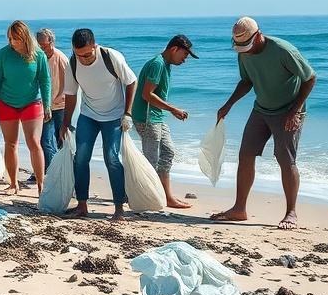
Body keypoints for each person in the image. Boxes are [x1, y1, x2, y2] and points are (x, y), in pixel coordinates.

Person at [211, 17, 316, 230]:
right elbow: (247, 81)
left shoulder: (282, 50)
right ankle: (240, 209)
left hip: (289, 111)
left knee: (285, 159)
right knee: (245, 154)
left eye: (247, 45)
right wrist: (228, 104)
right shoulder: (244, 53)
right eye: (241, 47)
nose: (245, 50)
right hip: (261, 109)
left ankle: (291, 213)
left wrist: (295, 111)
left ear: (258, 35)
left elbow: (310, 78)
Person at [60, 28, 137, 221]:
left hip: (114, 116)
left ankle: (119, 208)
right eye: (79, 55)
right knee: (80, 158)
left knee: (111, 157)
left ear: (94, 46)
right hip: (88, 115)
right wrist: (65, 123)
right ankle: (82, 205)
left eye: (87, 54)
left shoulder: (111, 57)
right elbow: (70, 95)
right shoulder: (72, 63)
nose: (84, 58)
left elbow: (131, 81)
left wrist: (127, 113)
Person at [132, 35, 198, 209]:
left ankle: (166, 196)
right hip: (147, 118)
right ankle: (144, 198)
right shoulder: (158, 64)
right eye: (184, 55)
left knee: (168, 153)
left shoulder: (165, 64)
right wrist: (173, 109)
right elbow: (147, 94)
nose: (185, 60)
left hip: (157, 116)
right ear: (174, 49)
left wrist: (168, 110)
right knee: (150, 161)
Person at [0, 21, 50, 195]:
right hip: (6, 103)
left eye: (15, 38)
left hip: (32, 102)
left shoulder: (38, 55)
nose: (12, 42)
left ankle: (41, 185)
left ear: (24, 37)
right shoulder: (3, 54)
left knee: (34, 143)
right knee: (10, 143)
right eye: (9, 38)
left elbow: (45, 81)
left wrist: (47, 105)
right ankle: (13, 184)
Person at [35, 28, 67, 170]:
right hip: (43, 105)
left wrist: (58, 98)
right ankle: (51, 170)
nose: (42, 47)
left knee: (61, 140)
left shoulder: (61, 58)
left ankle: (62, 170)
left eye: (44, 45)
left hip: (60, 106)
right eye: (39, 45)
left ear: (52, 42)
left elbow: (69, 83)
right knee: (44, 140)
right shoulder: (37, 57)